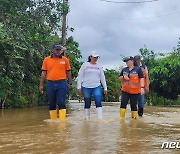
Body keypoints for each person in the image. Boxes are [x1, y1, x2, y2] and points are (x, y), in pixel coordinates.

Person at [39, 44, 72, 121]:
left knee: (61, 102)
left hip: (62, 83)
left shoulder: (65, 60)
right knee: (51, 103)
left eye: (59, 50)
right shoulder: (47, 60)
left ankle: (62, 122)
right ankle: (53, 121)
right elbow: (44, 73)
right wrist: (41, 85)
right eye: (56, 50)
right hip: (50, 83)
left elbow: (68, 72)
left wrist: (70, 83)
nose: (58, 51)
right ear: (52, 50)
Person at [77, 51, 108, 120]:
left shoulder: (99, 66)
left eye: (97, 57)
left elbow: (102, 77)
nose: (95, 59)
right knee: (87, 101)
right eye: (94, 57)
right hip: (86, 86)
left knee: (98, 100)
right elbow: (80, 76)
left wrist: (105, 87)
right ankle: (87, 118)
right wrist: (78, 87)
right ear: (90, 57)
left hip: (96, 86)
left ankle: (100, 119)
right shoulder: (85, 65)